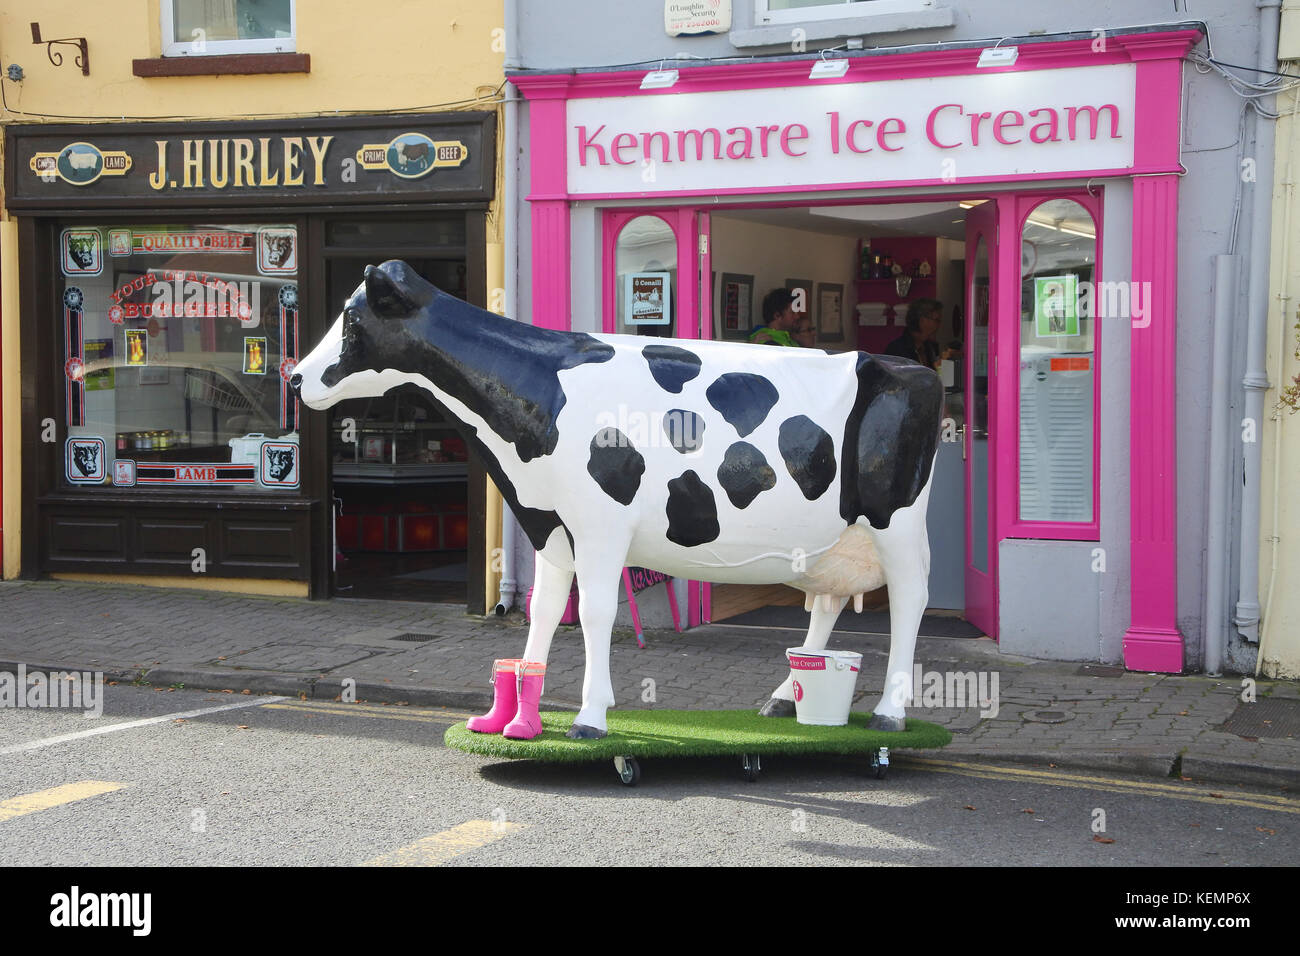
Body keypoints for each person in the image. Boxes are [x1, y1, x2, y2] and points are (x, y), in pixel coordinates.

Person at [883, 298, 954, 371]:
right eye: (937, 320)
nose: (939, 325)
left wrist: (943, 365)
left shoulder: (930, 347)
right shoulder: (897, 349)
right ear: (922, 320)